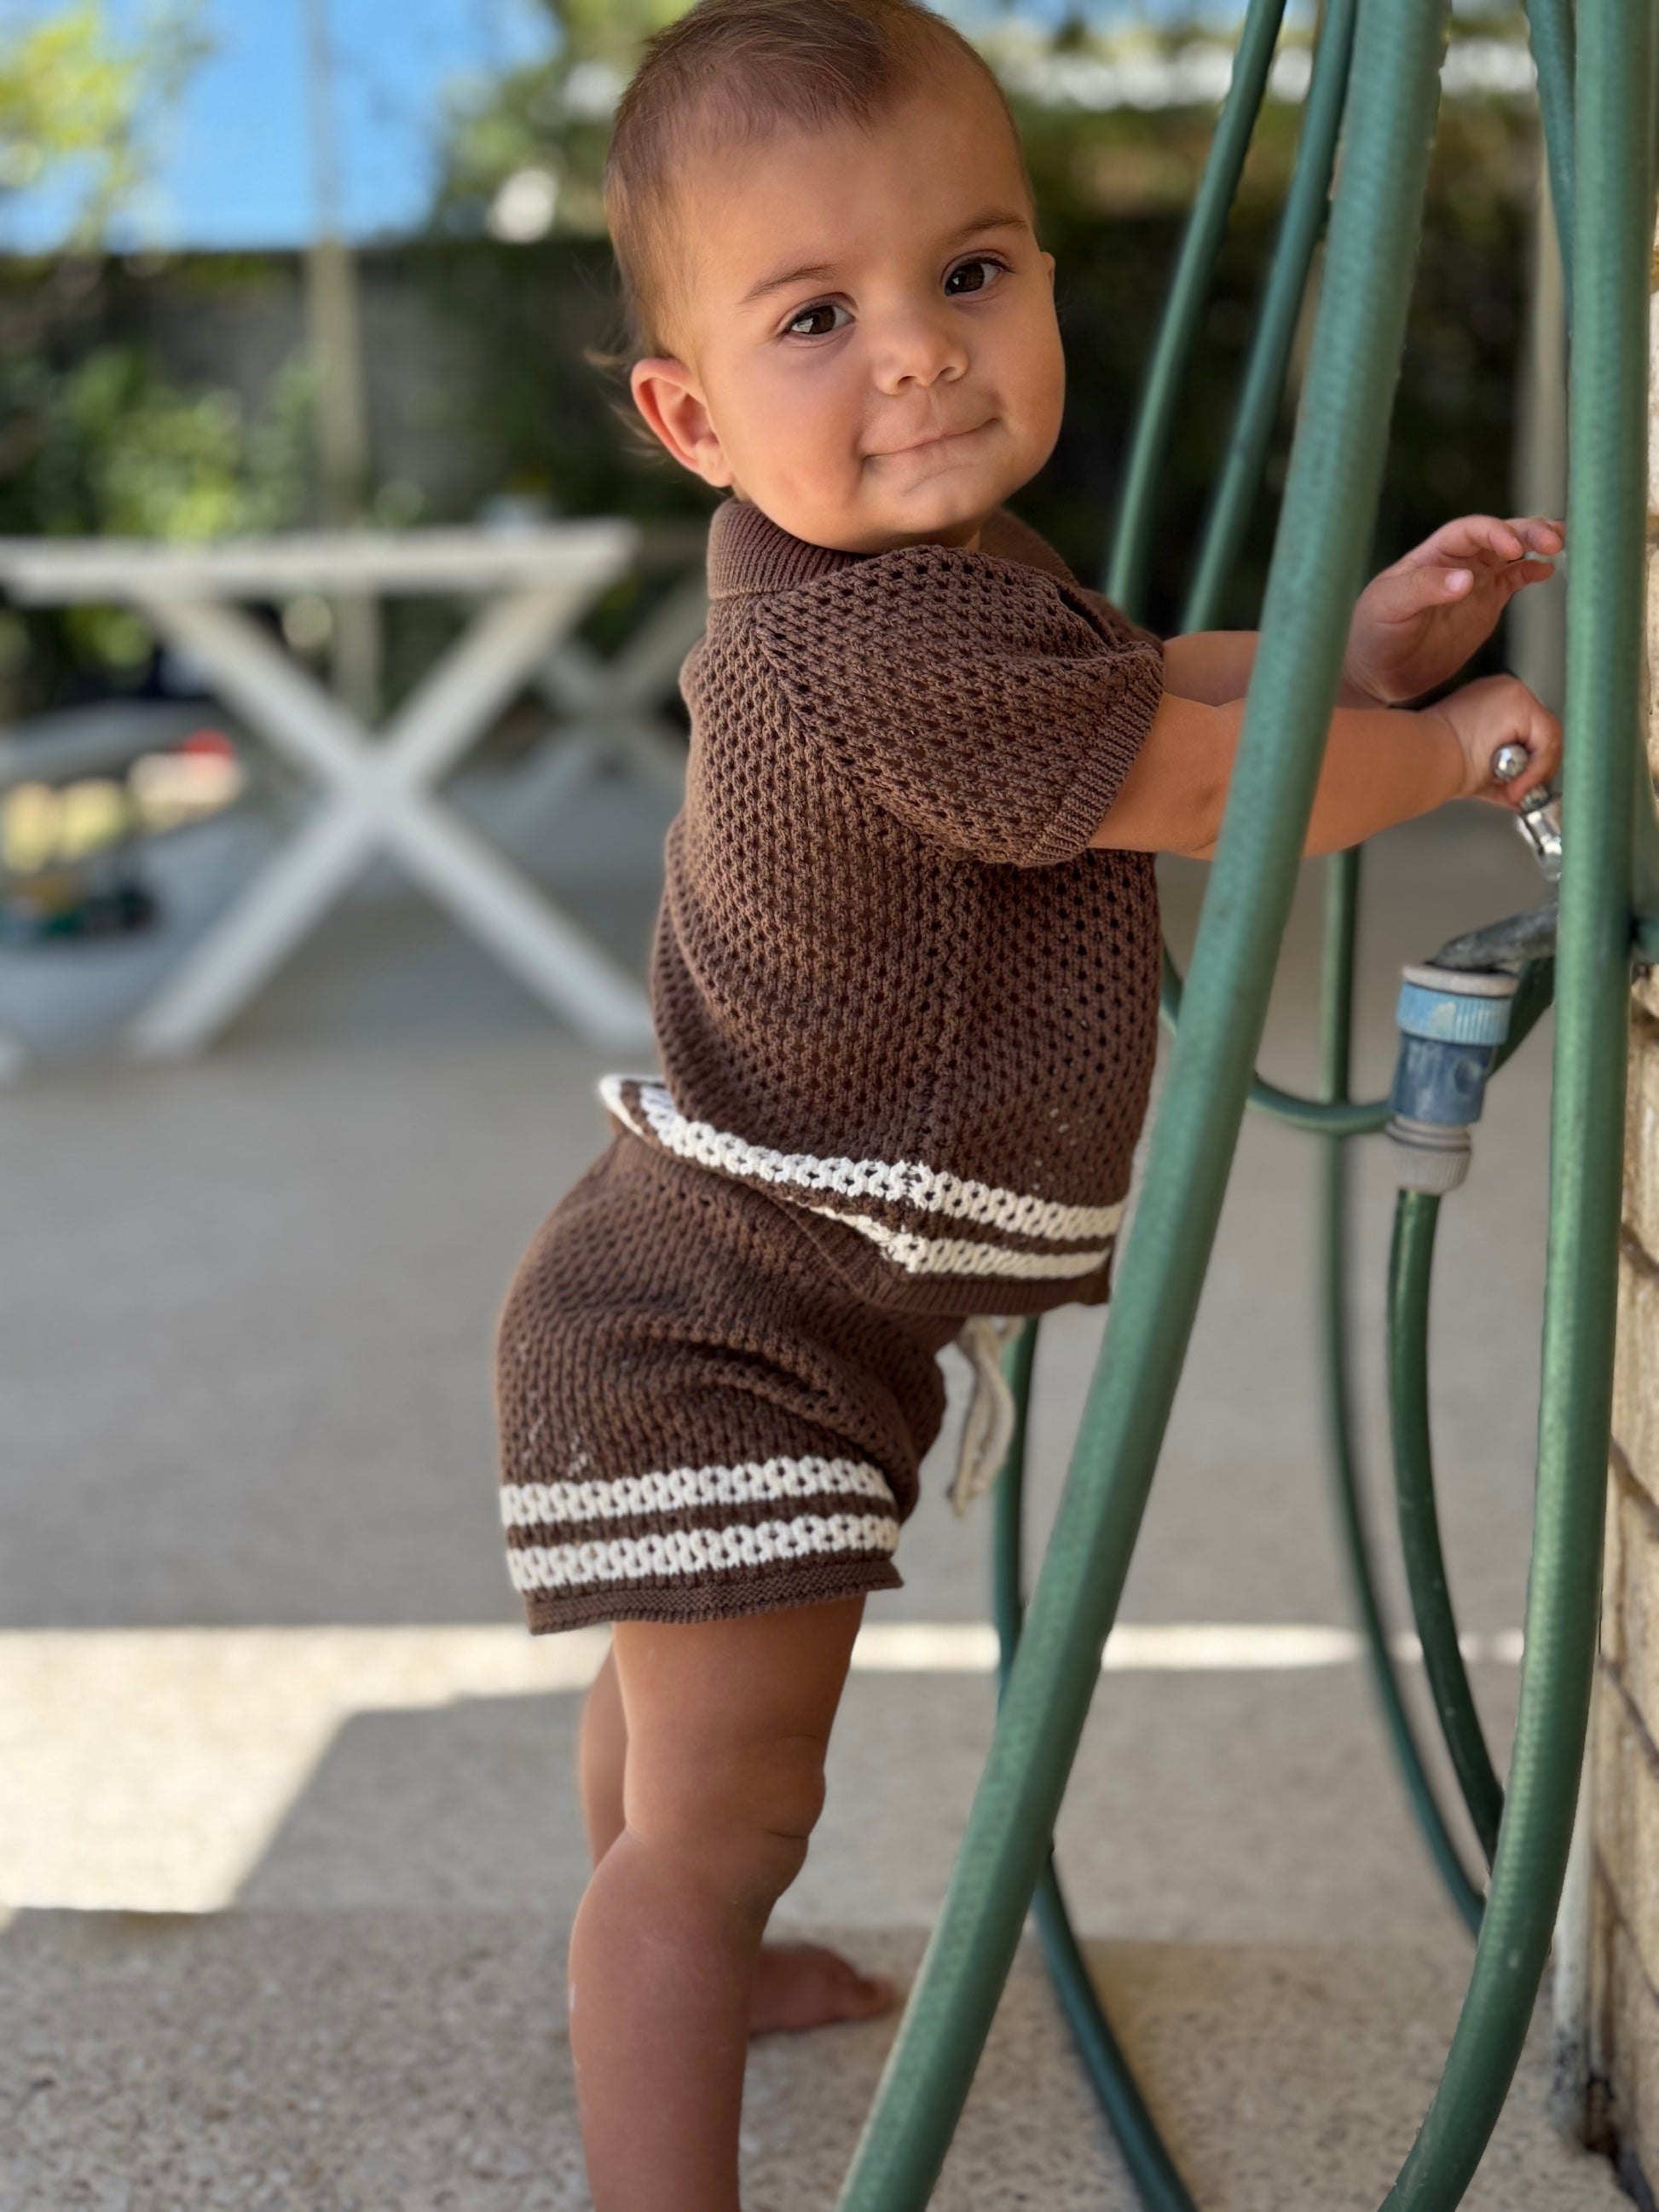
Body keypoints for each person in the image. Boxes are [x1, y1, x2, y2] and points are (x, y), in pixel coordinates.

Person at [491, 3, 1563, 2203]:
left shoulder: (915, 585)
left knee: (679, 1726)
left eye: (968, 274)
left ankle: (691, 1929)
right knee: (718, 1794)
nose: (918, 354)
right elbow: (1193, 783)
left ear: (1044, 286)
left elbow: (1156, 687)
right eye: (816, 315)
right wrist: (1453, 756)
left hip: (753, 1290)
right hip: (728, 1330)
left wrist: (1351, 661)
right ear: (689, 413)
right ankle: (663, 2045)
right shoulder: (869, 647)